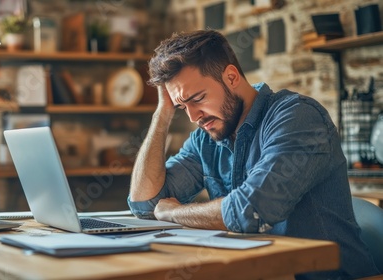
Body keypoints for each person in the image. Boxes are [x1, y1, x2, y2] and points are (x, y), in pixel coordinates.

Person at [128, 30, 380, 279]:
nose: (193, 117)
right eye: (182, 106)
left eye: (198, 99)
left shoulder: (298, 118)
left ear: (231, 77)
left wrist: (174, 212)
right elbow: (146, 204)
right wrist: (162, 114)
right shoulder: (205, 139)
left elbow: (253, 211)